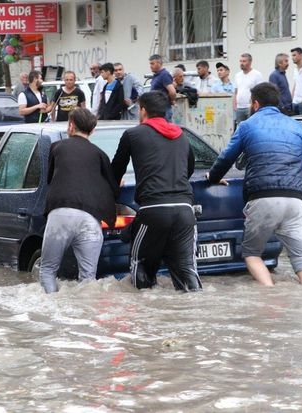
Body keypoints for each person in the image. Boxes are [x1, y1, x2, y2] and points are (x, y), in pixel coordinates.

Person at [206, 82, 302, 287]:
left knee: (251, 254)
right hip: (296, 200)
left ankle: (269, 294)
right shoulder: (297, 126)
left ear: (255, 104)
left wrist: (212, 178)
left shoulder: (247, 125)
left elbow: (225, 159)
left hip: (262, 197)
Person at [111, 91, 202, 292]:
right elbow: (189, 169)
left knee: (140, 266)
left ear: (143, 110)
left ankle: (147, 318)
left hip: (153, 211)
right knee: (187, 272)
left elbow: (115, 171)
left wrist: (110, 192)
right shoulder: (182, 136)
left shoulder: (133, 135)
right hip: (185, 210)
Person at [40, 107, 120, 294]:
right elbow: (114, 188)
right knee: (88, 279)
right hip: (90, 219)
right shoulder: (100, 154)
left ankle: (51, 311)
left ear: (71, 126)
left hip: (60, 214)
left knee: (48, 270)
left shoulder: (57, 147)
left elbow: (50, 179)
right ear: (92, 131)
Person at [233, 52, 264, 127]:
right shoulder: (237, 75)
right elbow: (236, 91)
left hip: (250, 107)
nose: (241, 63)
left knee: (251, 127)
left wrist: (254, 105)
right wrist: (235, 105)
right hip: (239, 108)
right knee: (240, 128)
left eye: (244, 61)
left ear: (250, 62)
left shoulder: (257, 74)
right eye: (240, 61)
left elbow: (260, 92)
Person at [149, 54, 177, 121]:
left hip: (164, 110)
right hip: (158, 109)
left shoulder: (164, 74)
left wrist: (172, 100)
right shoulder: (157, 75)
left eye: (152, 63)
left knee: (165, 130)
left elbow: (172, 92)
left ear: (159, 63)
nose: (150, 66)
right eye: (150, 64)